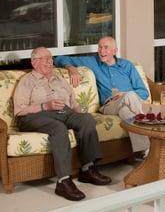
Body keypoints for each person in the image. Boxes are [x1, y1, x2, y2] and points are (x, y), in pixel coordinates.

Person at [14, 47, 111, 201]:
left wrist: (80, 116)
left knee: (86, 120)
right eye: (45, 58)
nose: (50, 61)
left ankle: (87, 169)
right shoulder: (27, 81)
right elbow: (19, 110)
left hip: (63, 112)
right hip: (35, 115)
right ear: (34, 63)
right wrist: (45, 106)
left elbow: (73, 103)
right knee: (58, 128)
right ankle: (64, 181)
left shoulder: (59, 78)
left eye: (50, 58)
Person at [54, 36, 150, 155]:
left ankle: (144, 151)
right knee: (129, 96)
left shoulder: (127, 66)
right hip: (109, 105)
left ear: (115, 51)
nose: (101, 50)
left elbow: (143, 92)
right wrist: (71, 68)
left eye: (106, 47)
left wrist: (124, 95)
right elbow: (58, 58)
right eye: (100, 47)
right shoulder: (93, 62)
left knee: (126, 112)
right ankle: (149, 130)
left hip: (129, 102)